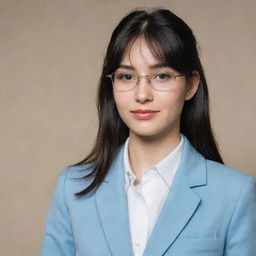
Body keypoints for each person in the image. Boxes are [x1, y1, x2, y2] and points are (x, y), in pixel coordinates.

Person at [40, 8, 256, 256]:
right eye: (126, 76)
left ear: (191, 85)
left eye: (161, 75)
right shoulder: (72, 188)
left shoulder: (235, 193)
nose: (142, 95)